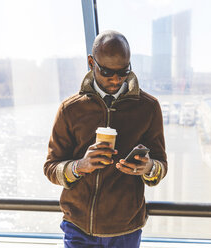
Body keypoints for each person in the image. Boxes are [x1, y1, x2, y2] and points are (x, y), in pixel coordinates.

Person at [43, 30, 167, 248]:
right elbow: (51, 168)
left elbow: (161, 166)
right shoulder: (70, 110)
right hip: (78, 227)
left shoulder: (149, 107)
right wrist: (80, 166)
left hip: (126, 230)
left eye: (123, 71)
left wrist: (148, 167)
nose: (116, 79)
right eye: (107, 72)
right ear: (91, 62)